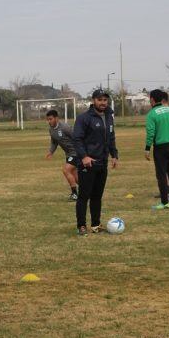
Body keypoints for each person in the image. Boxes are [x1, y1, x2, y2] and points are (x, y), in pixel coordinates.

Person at [72, 89, 118, 236]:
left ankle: (96, 225)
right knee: (84, 196)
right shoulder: (83, 118)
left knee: (97, 196)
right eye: (100, 100)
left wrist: (114, 155)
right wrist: (84, 157)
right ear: (93, 101)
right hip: (87, 163)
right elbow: (77, 139)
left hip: (102, 163)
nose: (103, 103)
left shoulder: (109, 116)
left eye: (105, 100)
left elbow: (111, 137)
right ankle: (81, 226)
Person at [145, 89, 169, 209]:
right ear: (162, 99)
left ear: (152, 99)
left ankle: (164, 202)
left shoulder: (151, 114)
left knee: (161, 175)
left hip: (160, 147)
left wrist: (147, 148)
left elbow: (151, 132)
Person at [45, 109, 78, 201]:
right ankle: (89, 191)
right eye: (48, 119)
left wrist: (83, 152)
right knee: (75, 177)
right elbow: (54, 142)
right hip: (69, 154)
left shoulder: (65, 127)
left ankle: (75, 194)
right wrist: (51, 151)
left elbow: (77, 138)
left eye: (51, 119)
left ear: (56, 118)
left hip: (76, 153)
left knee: (66, 170)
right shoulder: (51, 130)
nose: (49, 121)